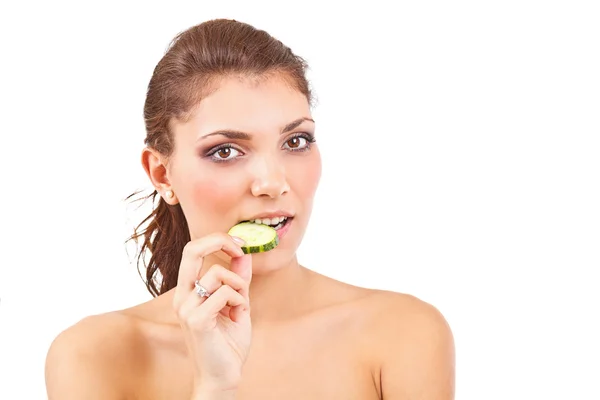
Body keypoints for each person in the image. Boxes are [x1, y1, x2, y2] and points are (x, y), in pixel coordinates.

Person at [45, 19, 455, 399]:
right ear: (162, 174)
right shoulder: (91, 356)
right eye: (225, 151)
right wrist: (215, 385)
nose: (273, 182)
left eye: (296, 141)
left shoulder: (403, 332)